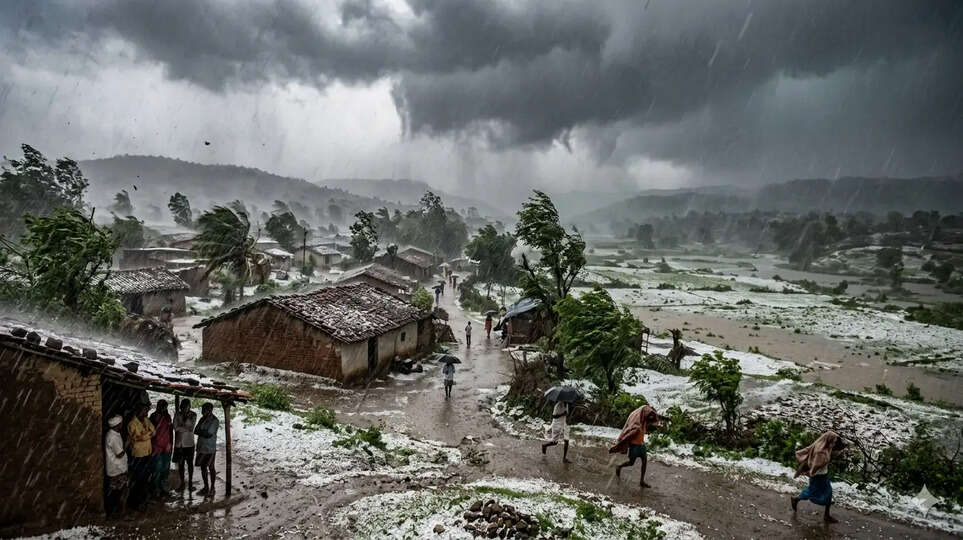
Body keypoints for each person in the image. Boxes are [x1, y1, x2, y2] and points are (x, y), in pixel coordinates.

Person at [792, 431, 846, 523]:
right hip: (818, 476)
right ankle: (796, 499)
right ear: (829, 440)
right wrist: (811, 473)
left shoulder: (825, 446)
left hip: (823, 475)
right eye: (833, 441)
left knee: (827, 493)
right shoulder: (820, 452)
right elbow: (815, 466)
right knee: (812, 493)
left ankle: (826, 515)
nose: (834, 444)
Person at [610, 405, 659, 488]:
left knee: (644, 461)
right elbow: (626, 437)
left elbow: (652, 416)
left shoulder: (644, 422)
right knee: (631, 463)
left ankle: (641, 481)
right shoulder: (637, 427)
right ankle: (619, 467)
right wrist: (617, 446)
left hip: (641, 445)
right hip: (634, 446)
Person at [128, 404, 156, 510]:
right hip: (138, 455)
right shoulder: (132, 424)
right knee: (138, 479)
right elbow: (140, 437)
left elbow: (154, 432)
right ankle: (137, 503)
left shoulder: (146, 420)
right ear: (139, 411)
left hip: (147, 452)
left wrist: (145, 434)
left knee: (146, 477)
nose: (146, 413)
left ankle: (144, 500)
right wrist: (146, 434)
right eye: (144, 411)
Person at [104, 415, 129, 517]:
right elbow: (119, 454)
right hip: (117, 468)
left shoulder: (111, 434)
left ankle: (113, 512)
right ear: (118, 425)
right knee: (122, 491)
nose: (122, 425)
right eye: (121, 424)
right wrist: (127, 443)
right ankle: (121, 513)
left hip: (115, 468)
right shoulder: (113, 437)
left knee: (115, 492)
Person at [148, 400, 174, 497]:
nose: (163, 409)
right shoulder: (152, 417)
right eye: (162, 407)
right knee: (157, 469)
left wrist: (171, 444)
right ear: (158, 406)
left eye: (165, 407)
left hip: (166, 447)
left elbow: (171, 431)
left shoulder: (168, 417)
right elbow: (150, 433)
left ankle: (164, 489)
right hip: (156, 447)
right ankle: (156, 490)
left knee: (165, 469)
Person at [194, 402, 220, 497]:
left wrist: (201, 432)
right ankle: (206, 487)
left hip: (210, 448)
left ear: (210, 410)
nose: (202, 411)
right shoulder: (202, 419)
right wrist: (202, 432)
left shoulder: (214, 420)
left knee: (211, 467)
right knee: (203, 467)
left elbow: (209, 434)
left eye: (204, 410)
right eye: (202, 409)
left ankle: (212, 488)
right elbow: (195, 430)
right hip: (201, 447)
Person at [173, 399, 197, 493]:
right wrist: (185, 427)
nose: (185, 408)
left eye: (187, 406)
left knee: (190, 464)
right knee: (181, 464)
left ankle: (190, 483)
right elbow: (175, 428)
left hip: (189, 443)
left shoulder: (193, 415)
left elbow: (191, 428)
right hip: (179, 444)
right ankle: (182, 483)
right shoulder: (177, 414)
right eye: (183, 406)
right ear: (181, 406)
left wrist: (181, 426)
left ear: (189, 406)